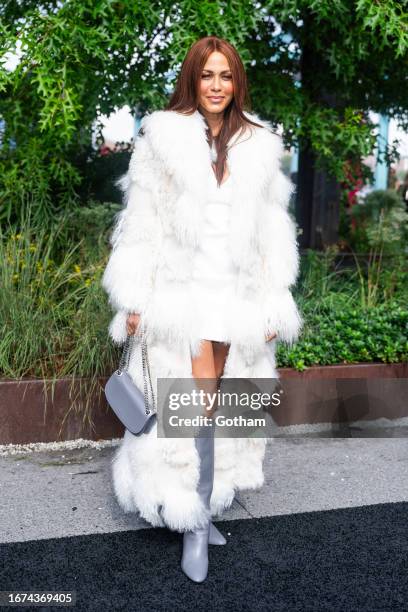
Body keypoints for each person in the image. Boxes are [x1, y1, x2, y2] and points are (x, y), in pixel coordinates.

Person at [101, 35, 302, 583]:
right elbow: (141, 225)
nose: (217, 86)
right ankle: (192, 520)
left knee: (226, 401)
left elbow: (272, 232)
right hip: (181, 293)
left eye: (226, 76)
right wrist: (135, 297)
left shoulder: (259, 144)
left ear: (237, 83)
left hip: (235, 294)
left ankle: (206, 505)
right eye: (208, 75)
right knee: (192, 401)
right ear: (193, 79)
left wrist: (273, 297)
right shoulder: (161, 138)